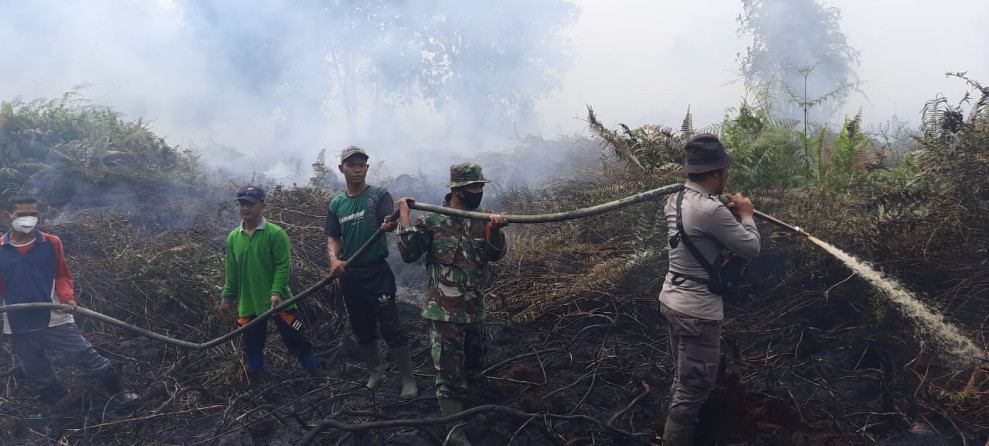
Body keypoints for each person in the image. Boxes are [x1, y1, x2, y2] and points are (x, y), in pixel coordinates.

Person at [658, 134, 761, 445]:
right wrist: (746, 216)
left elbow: (701, 233)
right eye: (725, 170)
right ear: (715, 173)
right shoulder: (710, 211)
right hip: (697, 312)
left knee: (683, 378)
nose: (728, 175)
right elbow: (750, 247)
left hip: (673, 299)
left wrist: (726, 215)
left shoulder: (675, 200)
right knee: (694, 388)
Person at [396, 163, 508, 446]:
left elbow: (495, 255)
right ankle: (455, 432)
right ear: (457, 190)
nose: (479, 192)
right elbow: (409, 254)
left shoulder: (484, 218)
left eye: (482, 187)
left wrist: (495, 231)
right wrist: (404, 217)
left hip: (474, 310)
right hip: (444, 311)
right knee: (449, 375)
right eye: (474, 188)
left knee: (474, 369)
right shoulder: (433, 221)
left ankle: (473, 415)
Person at [0, 196, 139, 412]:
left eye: (34, 214)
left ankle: (119, 393)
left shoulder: (51, 242)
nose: (28, 219)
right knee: (34, 367)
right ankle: (57, 402)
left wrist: (67, 298)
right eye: (21, 215)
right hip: (18, 322)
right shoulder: (0, 248)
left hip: (54, 316)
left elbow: (63, 275)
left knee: (83, 353)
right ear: (7, 216)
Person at [325, 145, 417, 399]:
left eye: (361, 164)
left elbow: (387, 220)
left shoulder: (379, 195)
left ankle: (408, 378)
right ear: (341, 168)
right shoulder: (337, 204)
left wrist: (389, 224)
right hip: (350, 275)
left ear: (367, 167)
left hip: (376, 271)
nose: (357, 169)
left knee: (390, 325)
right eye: (351, 165)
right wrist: (334, 260)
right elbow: (333, 237)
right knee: (361, 326)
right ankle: (376, 372)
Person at [218, 186, 318, 385]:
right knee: (252, 345)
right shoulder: (233, 238)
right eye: (242, 204)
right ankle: (259, 384)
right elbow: (232, 272)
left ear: (262, 204)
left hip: (280, 302)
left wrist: (276, 292)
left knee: (296, 340)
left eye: (251, 204)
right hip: (249, 303)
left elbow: (282, 266)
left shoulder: (275, 234)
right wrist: (227, 299)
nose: (245, 208)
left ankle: (316, 377)